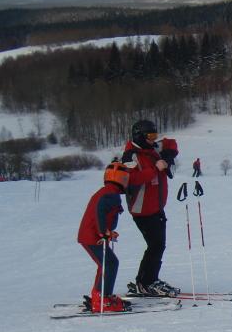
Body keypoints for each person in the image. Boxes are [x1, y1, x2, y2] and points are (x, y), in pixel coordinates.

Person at [122, 119, 180, 297]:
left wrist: (167, 157)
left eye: (155, 135)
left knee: (157, 245)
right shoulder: (130, 156)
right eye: (150, 136)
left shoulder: (152, 148)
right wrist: (155, 168)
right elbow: (130, 180)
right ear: (140, 136)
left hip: (156, 206)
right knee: (156, 245)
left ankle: (145, 280)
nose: (154, 139)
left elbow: (171, 143)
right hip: (142, 209)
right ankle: (147, 282)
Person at [77, 162, 132, 312]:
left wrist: (107, 231)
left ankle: (102, 296)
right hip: (92, 236)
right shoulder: (111, 194)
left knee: (108, 263)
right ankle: (101, 299)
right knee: (109, 264)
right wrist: (103, 232)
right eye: (126, 178)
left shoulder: (107, 191)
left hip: (91, 234)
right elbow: (100, 211)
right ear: (121, 179)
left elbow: (101, 213)